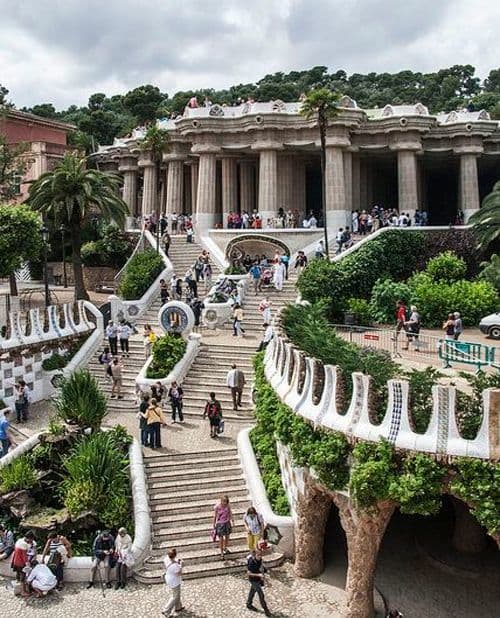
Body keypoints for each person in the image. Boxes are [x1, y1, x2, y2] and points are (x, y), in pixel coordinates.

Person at [246, 549, 272, 616]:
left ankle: (248, 604)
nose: (260, 556)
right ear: (255, 555)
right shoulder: (251, 562)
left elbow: (260, 566)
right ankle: (266, 610)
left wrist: (266, 570)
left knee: (252, 591)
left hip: (257, 579)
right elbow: (248, 573)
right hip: (253, 580)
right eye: (258, 555)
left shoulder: (259, 559)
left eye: (261, 555)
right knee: (261, 594)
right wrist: (258, 575)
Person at [163, 548, 184, 617]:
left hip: (169, 578)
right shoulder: (174, 566)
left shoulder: (166, 559)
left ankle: (178, 607)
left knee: (177, 593)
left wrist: (177, 560)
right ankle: (166, 610)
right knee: (175, 596)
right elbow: (179, 573)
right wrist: (181, 565)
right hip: (174, 581)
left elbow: (174, 559)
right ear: (174, 555)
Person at [213, 495, 234, 560]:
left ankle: (225, 547)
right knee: (221, 539)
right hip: (220, 524)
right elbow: (215, 515)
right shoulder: (217, 507)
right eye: (223, 501)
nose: (224, 503)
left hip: (227, 523)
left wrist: (232, 520)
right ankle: (221, 552)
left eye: (226, 501)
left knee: (227, 537)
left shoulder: (228, 506)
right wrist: (214, 523)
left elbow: (230, 513)